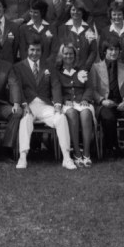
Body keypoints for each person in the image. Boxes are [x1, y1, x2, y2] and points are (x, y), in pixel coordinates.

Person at [13, 40, 76, 170]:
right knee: (25, 121)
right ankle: (23, 156)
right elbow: (17, 87)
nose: (35, 53)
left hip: (45, 105)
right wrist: (24, 104)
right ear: (27, 50)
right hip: (28, 105)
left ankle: (66, 157)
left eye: (37, 50)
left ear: (41, 52)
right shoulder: (19, 67)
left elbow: (55, 85)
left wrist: (58, 104)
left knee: (61, 118)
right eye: (32, 50)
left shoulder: (48, 66)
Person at [89, 38, 124, 159]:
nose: (113, 52)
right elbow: (92, 89)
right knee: (109, 118)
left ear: (120, 51)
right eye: (110, 50)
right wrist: (102, 100)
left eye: (116, 50)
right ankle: (111, 148)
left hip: (121, 104)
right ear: (104, 51)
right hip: (105, 104)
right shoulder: (95, 67)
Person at [52, 43, 95, 167]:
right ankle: (76, 153)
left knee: (86, 113)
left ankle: (86, 154)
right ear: (61, 55)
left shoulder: (82, 69)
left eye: (71, 53)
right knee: (71, 113)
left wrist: (86, 99)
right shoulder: (57, 71)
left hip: (82, 101)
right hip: (67, 103)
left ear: (75, 55)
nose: (68, 56)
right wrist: (65, 100)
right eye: (65, 53)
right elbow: (56, 89)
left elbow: (89, 87)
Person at [53, 0, 97, 71]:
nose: (75, 12)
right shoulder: (62, 28)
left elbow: (93, 51)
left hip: (85, 70)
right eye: (73, 10)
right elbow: (60, 50)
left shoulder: (89, 28)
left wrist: (86, 67)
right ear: (69, 11)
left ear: (83, 12)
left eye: (79, 10)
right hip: (66, 69)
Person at [100, 3, 124, 72]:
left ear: (123, 15)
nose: (117, 17)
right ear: (110, 15)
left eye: (119, 14)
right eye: (114, 14)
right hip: (111, 71)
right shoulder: (105, 32)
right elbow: (102, 51)